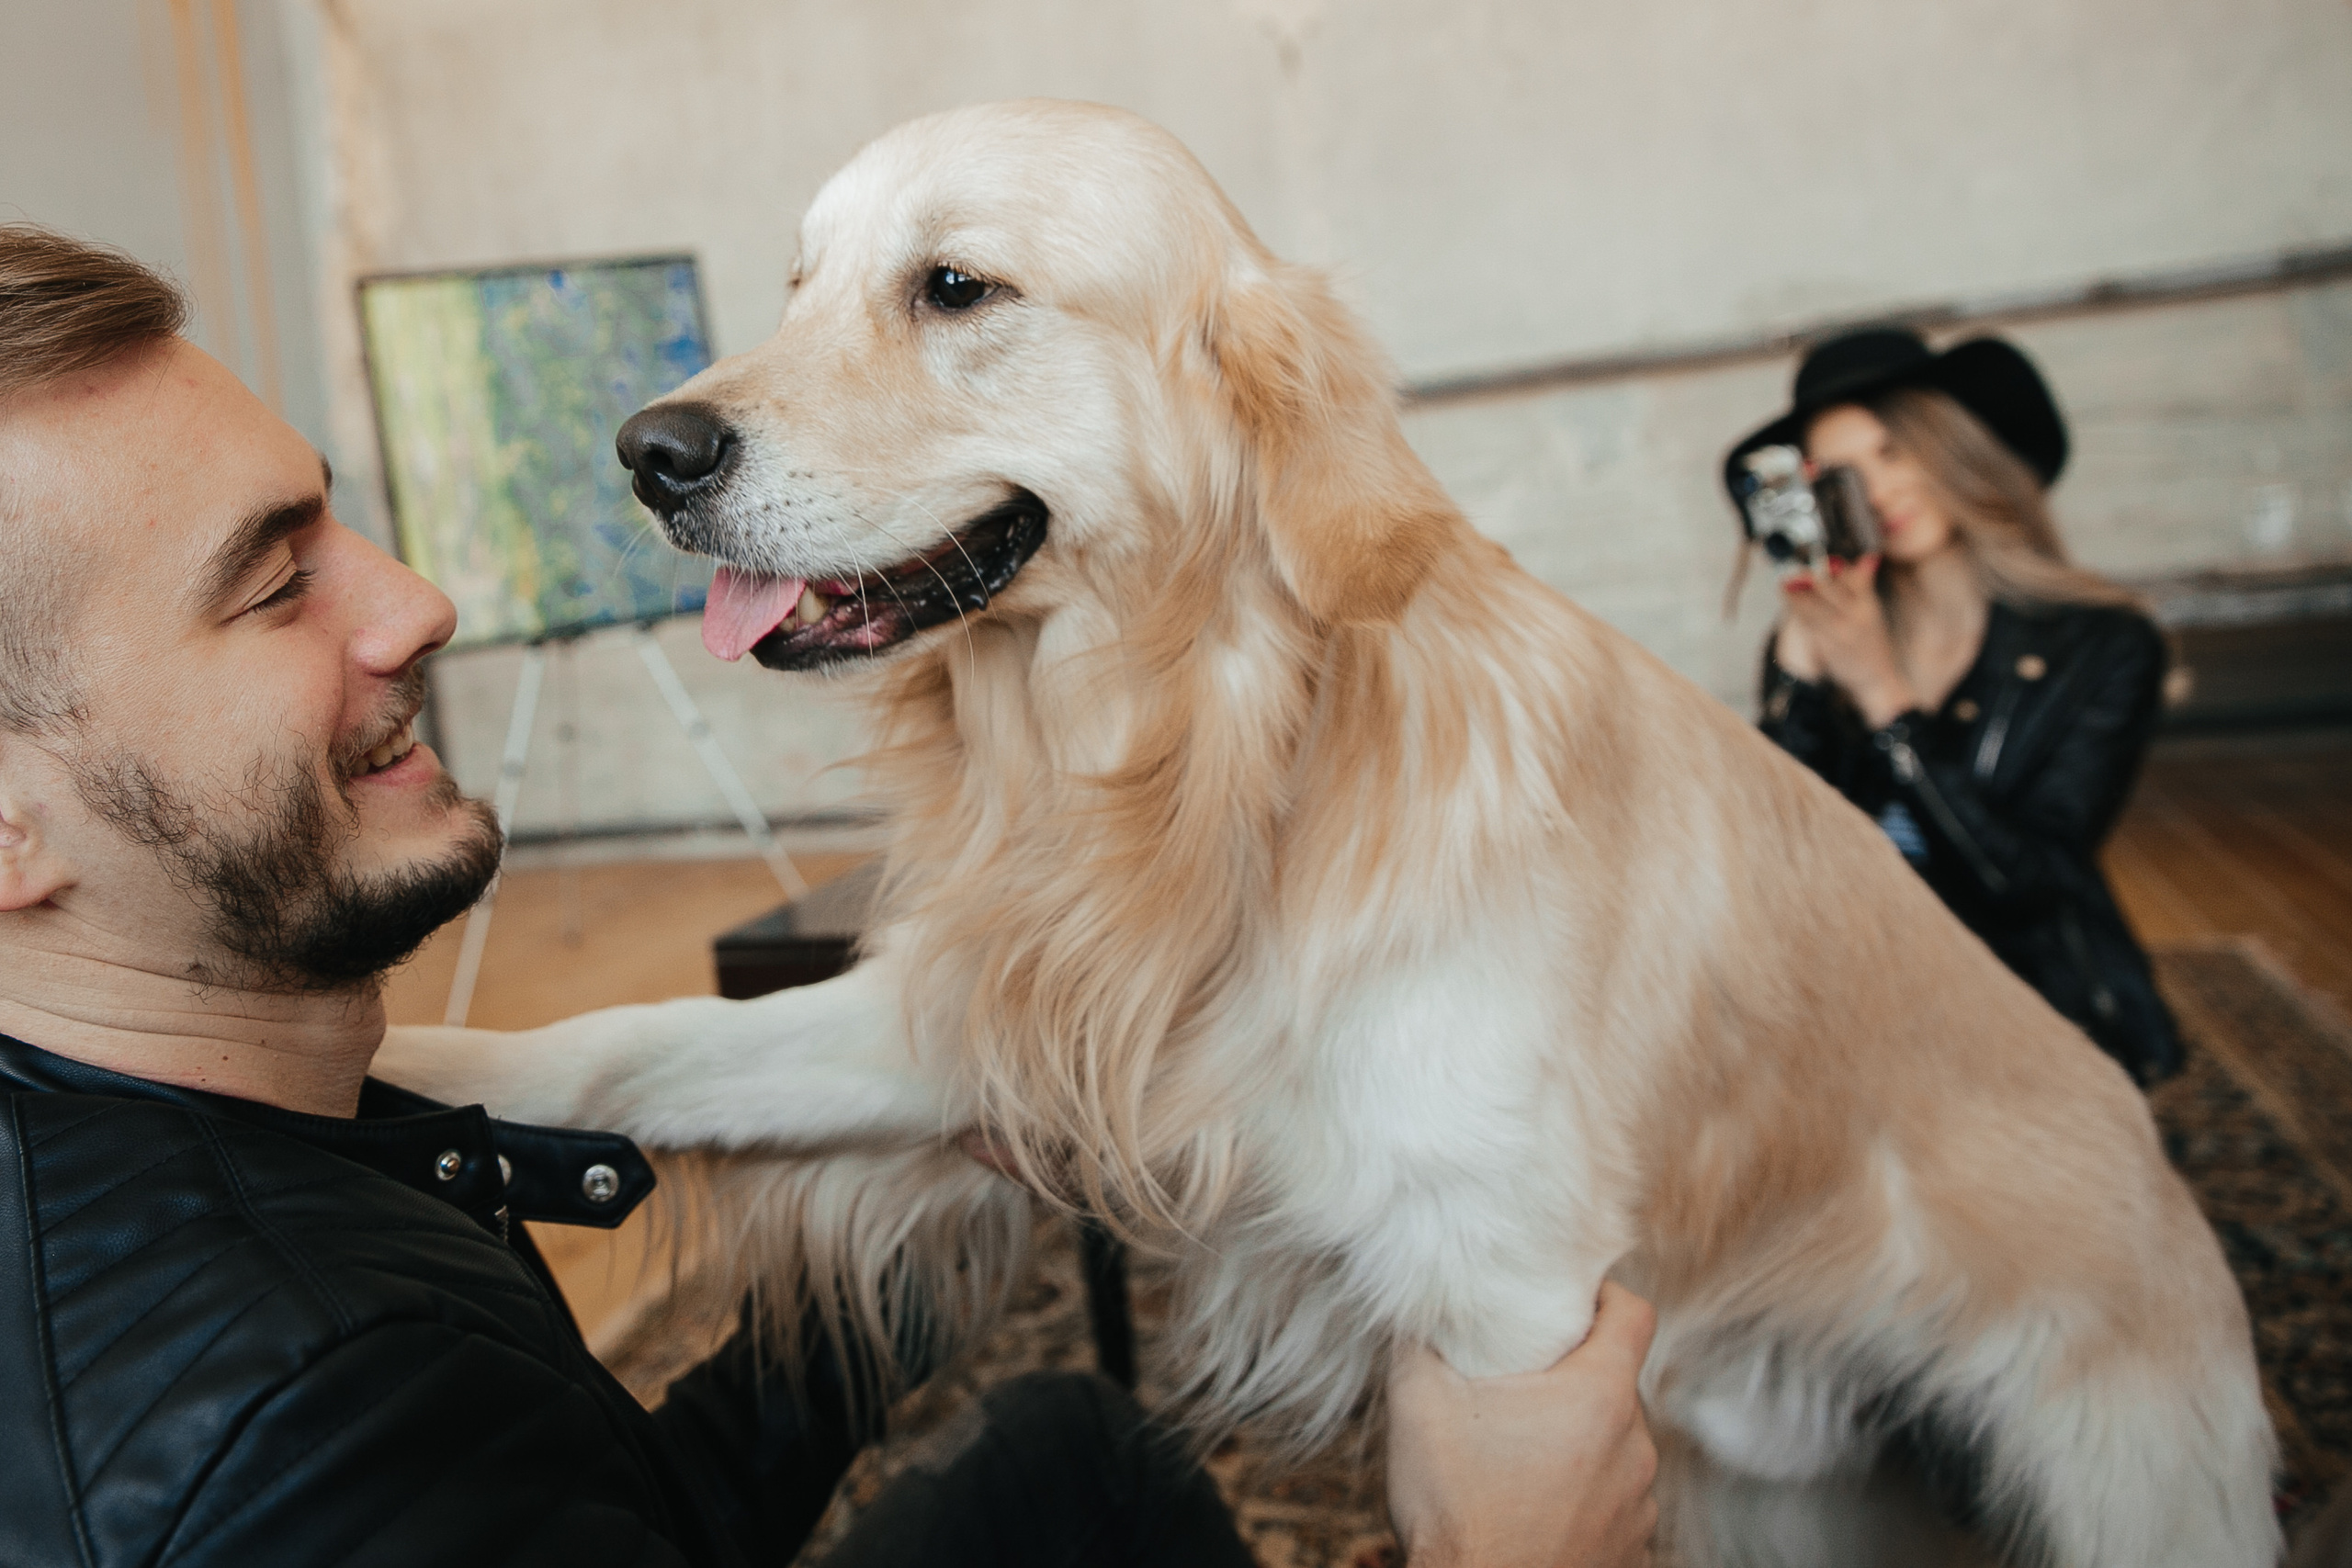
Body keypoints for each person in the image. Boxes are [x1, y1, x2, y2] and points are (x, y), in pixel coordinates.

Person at [0, 222, 1658, 1567]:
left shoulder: (174, 1173)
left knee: (1067, 1445)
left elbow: (613, 1519)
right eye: (275, 583)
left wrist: (977, 1188)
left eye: (338, 525)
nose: (421, 603)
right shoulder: (309, 1435)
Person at [1725, 327, 2181, 1086]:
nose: (1878, 490)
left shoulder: (2105, 647)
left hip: (2037, 1009)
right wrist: (1799, 673)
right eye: (1843, 475)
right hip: (1865, 1008)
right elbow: (1770, 874)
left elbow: (2025, 884)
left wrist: (1884, 698)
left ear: (1956, 448)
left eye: (1894, 452)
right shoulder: (1824, 642)